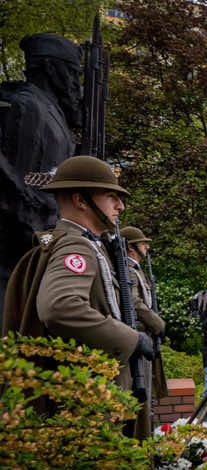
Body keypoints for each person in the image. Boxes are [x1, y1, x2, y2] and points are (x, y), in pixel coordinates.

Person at [22, 156, 153, 438]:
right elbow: (60, 307)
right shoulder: (76, 248)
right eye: (111, 196)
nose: (120, 206)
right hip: (91, 396)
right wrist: (130, 338)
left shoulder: (82, 244)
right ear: (81, 201)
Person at [0, 34, 82, 328]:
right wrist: (52, 240)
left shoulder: (55, 116)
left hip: (37, 249)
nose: (76, 84)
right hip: (18, 256)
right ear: (50, 68)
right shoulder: (29, 108)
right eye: (71, 73)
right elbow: (19, 189)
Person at [120, 225, 167, 417]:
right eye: (143, 244)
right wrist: (158, 324)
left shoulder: (137, 270)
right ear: (131, 247)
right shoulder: (130, 271)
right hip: (140, 336)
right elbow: (135, 302)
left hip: (145, 336)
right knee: (143, 391)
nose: (147, 248)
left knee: (150, 389)